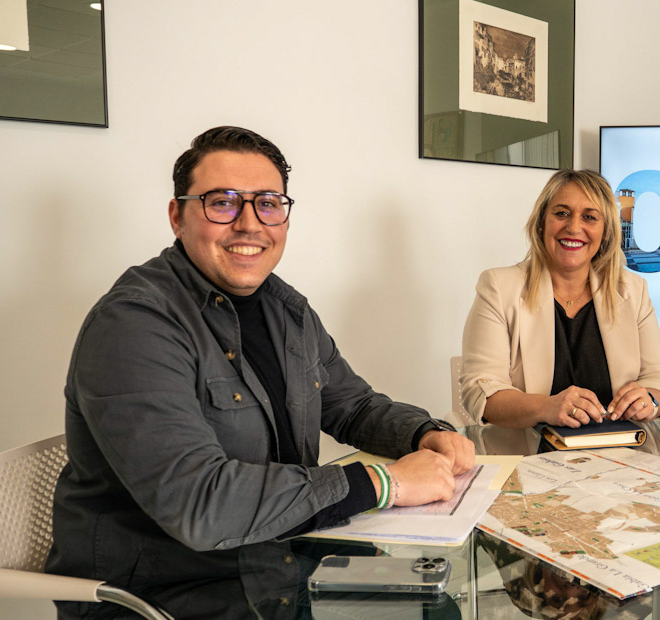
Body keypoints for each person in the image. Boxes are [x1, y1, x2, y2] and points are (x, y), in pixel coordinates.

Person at [46, 126, 475, 619]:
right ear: (177, 216)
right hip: (172, 597)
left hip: (280, 568)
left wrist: (423, 432)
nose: (250, 224)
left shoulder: (285, 309)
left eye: (268, 203)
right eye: (222, 202)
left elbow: (352, 405)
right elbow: (200, 504)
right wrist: (383, 483)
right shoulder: (134, 324)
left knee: (443, 610)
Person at [460, 169, 660, 428]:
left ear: (605, 231)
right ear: (542, 222)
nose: (574, 227)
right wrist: (546, 406)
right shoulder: (499, 288)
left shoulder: (633, 291)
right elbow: (480, 392)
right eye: (561, 213)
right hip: (528, 455)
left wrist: (649, 399)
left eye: (590, 217)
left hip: (620, 456)